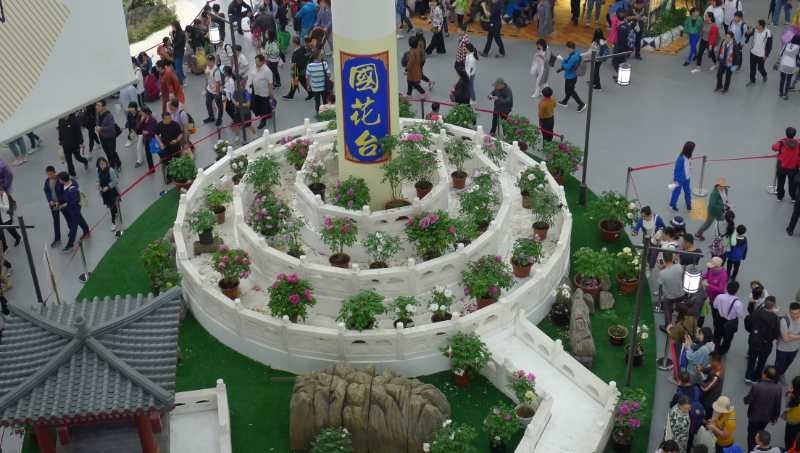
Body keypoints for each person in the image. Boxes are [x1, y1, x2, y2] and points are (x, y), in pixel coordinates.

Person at [743, 367, 782, 452]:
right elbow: (777, 405)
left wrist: (745, 399)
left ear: (764, 375)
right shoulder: (778, 389)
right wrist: (775, 418)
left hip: (754, 417)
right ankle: (758, 446)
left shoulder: (757, 386)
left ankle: (752, 450)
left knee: (751, 435)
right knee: (760, 432)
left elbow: (748, 400)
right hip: (766, 418)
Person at [744, 296, 780, 383]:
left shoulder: (756, 312)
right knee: (761, 362)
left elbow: (748, 324)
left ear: (764, 303)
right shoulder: (775, 318)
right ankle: (755, 378)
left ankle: (748, 376)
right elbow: (776, 334)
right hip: (766, 345)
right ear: (774, 305)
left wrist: (752, 332)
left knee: (751, 359)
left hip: (753, 341)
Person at [57, 172, 90, 251]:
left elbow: (75, 200)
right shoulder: (68, 183)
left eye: (59, 179)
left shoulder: (72, 189)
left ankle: (70, 244)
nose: (59, 180)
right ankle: (86, 230)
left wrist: (65, 204)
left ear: (63, 180)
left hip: (74, 209)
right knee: (80, 219)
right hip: (71, 209)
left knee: (73, 227)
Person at [712, 280, 744, 355]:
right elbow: (740, 315)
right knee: (727, 339)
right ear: (736, 290)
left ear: (727, 288)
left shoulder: (719, 297)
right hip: (730, 323)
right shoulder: (738, 303)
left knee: (717, 336)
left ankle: (715, 349)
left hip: (719, 320)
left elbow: (714, 306)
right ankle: (722, 351)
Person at [658, 251, 687, 331]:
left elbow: (660, 283)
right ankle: (680, 322)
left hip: (669, 297)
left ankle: (668, 326)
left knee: (667, 309)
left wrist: (662, 268)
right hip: (681, 294)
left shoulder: (662, 273)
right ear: (672, 258)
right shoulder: (679, 267)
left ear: (663, 259)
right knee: (680, 307)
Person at [57, 112, 89, 177]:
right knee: (69, 161)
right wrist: (60, 140)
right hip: (66, 145)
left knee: (78, 157)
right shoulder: (60, 121)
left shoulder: (74, 120)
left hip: (75, 144)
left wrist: (81, 142)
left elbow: (78, 132)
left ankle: (85, 161)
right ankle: (73, 174)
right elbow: (60, 131)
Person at [772, 127, 800, 202]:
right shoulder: (798, 144)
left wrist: (782, 141)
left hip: (782, 167)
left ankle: (780, 197)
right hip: (793, 168)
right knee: (792, 183)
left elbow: (773, 147)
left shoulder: (781, 143)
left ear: (786, 133)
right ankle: (793, 197)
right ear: (794, 134)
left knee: (780, 183)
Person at [154, 111, 183, 183]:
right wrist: (160, 143)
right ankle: (169, 176)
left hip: (175, 147)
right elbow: (156, 135)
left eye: (170, 118)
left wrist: (176, 140)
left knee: (177, 160)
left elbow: (180, 134)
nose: (170, 119)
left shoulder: (175, 124)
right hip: (166, 148)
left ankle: (178, 174)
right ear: (163, 119)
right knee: (167, 162)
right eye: (167, 118)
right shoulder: (159, 125)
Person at [557, 42, 586, 112]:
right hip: (571, 76)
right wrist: (563, 63)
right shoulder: (576, 53)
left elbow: (568, 66)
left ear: (570, 48)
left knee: (571, 91)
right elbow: (569, 62)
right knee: (568, 90)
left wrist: (562, 60)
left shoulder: (573, 57)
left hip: (571, 77)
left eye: (567, 48)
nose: (566, 50)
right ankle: (565, 101)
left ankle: (581, 104)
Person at [95, 100, 122, 172]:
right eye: (96, 105)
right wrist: (97, 126)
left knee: (112, 152)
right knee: (106, 152)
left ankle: (118, 164)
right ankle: (112, 164)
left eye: (99, 105)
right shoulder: (98, 113)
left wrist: (101, 128)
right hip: (102, 137)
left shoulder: (109, 115)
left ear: (104, 107)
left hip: (110, 137)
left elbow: (111, 127)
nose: (96, 107)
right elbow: (97, 122)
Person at [775, 302, 800, 381]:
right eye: (792, 313)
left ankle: (781, 374)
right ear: (789, 311)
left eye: (797, 313)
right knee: (778, 366)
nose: (794, 315)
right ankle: (775, 379)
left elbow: (788, 337)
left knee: (787, 364)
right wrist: (797, 336)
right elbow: (785, 339)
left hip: (795, 348)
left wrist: (791, 335)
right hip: (782, 349)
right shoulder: (784, 320)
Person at [95, 157, 121, 232]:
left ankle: (113, 222)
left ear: (106, 163)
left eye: (103, 163)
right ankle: (115, 211)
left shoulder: (110, 170)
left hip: (112, 191)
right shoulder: (98, 171)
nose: (102, 165)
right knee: (110, 206)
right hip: (104, 192)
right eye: (100, 164)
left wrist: (108, 187)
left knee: (111, 206)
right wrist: (97, 183)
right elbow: (98, 179)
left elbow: (115, 181)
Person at [43, 166, 66, 248]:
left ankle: (72, 231)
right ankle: (57, 239)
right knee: (56, 221)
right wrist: (50, 200)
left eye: (51, 174)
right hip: (53, 205)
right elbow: (46, 191)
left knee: (68, 217)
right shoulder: (47, 181)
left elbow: (64, 192)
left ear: (54, 172)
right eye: (48, 174)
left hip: (62, 204)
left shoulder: (60, 180)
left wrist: (59, 201)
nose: (50, 176)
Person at [251, 54, 275, 129]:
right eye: (255, 61)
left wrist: (271, 93)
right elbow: (253, 76)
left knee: (263, 108)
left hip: (264, 93)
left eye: (257, 61)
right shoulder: (255, 67)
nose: (255, 63)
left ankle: (263, 121)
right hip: (256, 91)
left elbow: (270, 83)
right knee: (257, 105)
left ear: (262, 62)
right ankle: (269, 113)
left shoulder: (267, 71)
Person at [745, 20, 772, 86]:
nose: (756, 25)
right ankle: (752, 80)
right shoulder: (754, 30)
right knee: (752, 68)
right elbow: (747, 35)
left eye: (757, 24)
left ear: (761, 26)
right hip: (753, 52)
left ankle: (764, 75)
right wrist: (748, 32)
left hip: (761, 55)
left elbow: (769, 46)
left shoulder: (768, 33)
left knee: (760, 68)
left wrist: (766, 55)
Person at [670, 141, 695, 212]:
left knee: (688, 192)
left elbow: (688, 166)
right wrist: (677, 180)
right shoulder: (680, 158)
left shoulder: (689, 156)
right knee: (676, 192)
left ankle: (688, 204)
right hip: (679, 179)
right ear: (689, 149)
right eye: (693, 149)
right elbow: (676, 170)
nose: (693, 150)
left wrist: (688, 175)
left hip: (687, 178)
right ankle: (673, 205)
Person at [700, 353, 725, 417]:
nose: (709, 362)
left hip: (711, 398)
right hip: (708, 394)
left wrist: (699, 382)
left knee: (706, 412)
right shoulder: (717, 365)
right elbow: (710, 369)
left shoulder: (717, 375)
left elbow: (706, 388)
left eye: (710, 360)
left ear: (715, 361)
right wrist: (702, 369)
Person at [202, 55, 224, 126]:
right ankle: (211, 117)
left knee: (219, 106)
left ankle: (219, 119)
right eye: (207, 61)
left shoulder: (216, 71)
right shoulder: (207, 67)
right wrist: (205, 88)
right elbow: (207, 78)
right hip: (209, 89)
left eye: (209, 61)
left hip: (216, 91)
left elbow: (218, 83)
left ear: (213, 62)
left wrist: (217, 93)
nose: (208, 63)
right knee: (208, 103)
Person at [778, 35, 800, 100]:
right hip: (791, 65)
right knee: (788, 80)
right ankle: (786, 94)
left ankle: (781, 92)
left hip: (783, 64)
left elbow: (780, 54)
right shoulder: (799, 47)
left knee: (782, 79)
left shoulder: (786, 44)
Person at [136, 107, 158, 171]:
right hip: (146, 139)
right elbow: (138, 128)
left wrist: (146, 132)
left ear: (146, 112)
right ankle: (151, 169)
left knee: (157, 151)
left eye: (142, 112)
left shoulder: (152, 120)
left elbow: (154, 130)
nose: (141, 113)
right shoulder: (143, 119)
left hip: (152, 139)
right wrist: (141, 121)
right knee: (148, 154)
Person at [784, 376, 800, 448]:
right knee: (794, 440)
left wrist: (788, 394)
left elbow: (786, 406)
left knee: (788, 440)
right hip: (798, 421)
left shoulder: (792, 396)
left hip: (791, 421)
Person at [171, 21, 187, 85]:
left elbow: (176, 44)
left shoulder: (180, 34)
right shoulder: (176, 33)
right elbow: (174, 43)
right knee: (179, 68)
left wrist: (172, 37)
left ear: (176, 26)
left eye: (172, 26)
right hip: (176, 53)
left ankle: (181, 82)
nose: (172, 28)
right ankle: (183, 78)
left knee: (178, 70)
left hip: (179, 53)